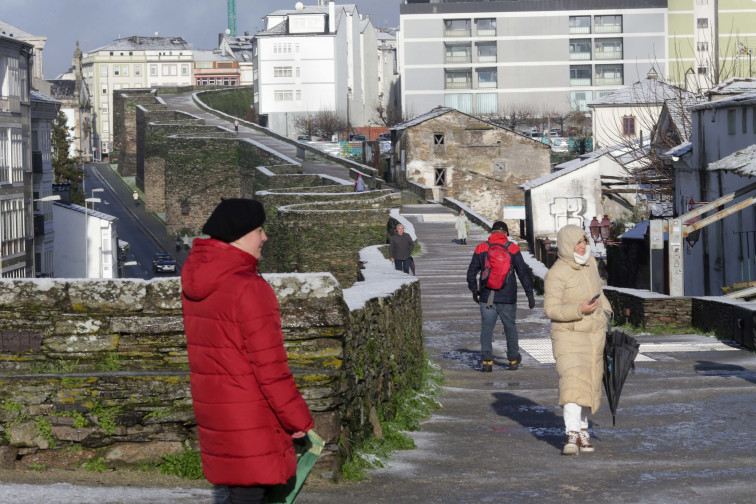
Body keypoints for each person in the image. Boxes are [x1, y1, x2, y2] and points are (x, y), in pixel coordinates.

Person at [181, 199, 314, 503]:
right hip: (249, 413)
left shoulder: (199, 280)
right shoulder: (247, 287)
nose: (264, 237)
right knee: (249, 494)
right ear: (239, 235)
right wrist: (298, 420)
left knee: (239, 491)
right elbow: (270, 368)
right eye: (259, 230)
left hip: (217, 408)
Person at [543, 224, 612, 456]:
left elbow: (599, 292)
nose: (583, 246)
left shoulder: (591, 264)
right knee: (572, 383)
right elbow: (551, 309)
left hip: (594, 334)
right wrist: (578, 309)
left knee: (588, 382)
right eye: (578, 242)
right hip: (568, 334)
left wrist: (606, 313)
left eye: (585, 241)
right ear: (566, 244)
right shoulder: (556, 273)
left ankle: (584, 429)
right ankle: (571, 434)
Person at [467, 221, 535, 372]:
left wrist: (474, 290)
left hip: (487, 296)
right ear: (506, 233)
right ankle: (512, 360)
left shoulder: (482, 248)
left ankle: (487, 362)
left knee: (487, 329)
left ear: (492, 232)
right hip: (508, 297)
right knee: (510, 327)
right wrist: (529, 294)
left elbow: (471, 272)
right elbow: (523, 273)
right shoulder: (512, 248)